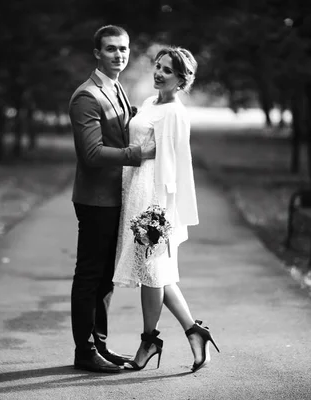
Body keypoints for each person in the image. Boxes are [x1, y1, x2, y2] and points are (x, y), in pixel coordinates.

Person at [113, 46, 220, 373]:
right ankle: (194, 331)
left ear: (181, 79)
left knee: (152, 274)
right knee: (157, 274)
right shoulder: (150, 102)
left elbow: (174, 165)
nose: (159, 73)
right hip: (136, 191)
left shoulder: (175, 112)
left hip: (154, 200)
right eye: (158, 66)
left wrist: (160, 215)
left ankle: (149, 340)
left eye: (167, 70)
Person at [68, 25, 156, 373]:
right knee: (90, 275)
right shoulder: (86, 96)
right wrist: (137, 153)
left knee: (106, 277)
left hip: (115, 196)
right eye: (110, 49)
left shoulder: (115, 87)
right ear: (97, 53)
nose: (118, 55)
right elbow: (91, 153)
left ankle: (99, 347)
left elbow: (119, 128)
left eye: (123, 49)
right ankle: (84, 351)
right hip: (95, 199)